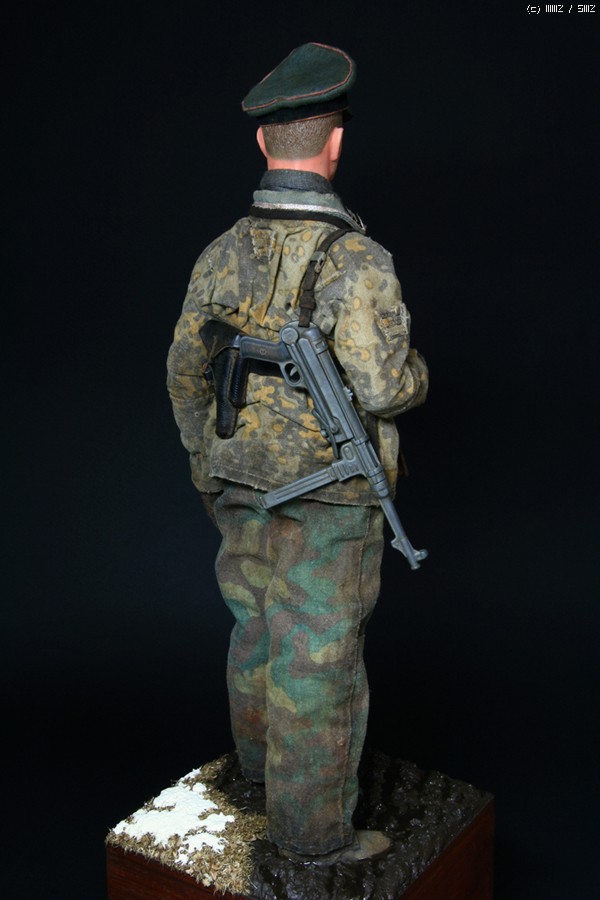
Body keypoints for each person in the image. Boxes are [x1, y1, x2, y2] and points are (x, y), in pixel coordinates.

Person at [167, 42, 428, 865]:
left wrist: (204, 459)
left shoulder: (221, 251)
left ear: (263, 141)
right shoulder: (356, 260)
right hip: (331, 496)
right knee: (318, 657)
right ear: (335, 143)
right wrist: (420, 375)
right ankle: (312, 837)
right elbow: (383, 387)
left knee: (256, 630)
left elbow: (184, 370)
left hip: (239, 478)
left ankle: (258, 775)